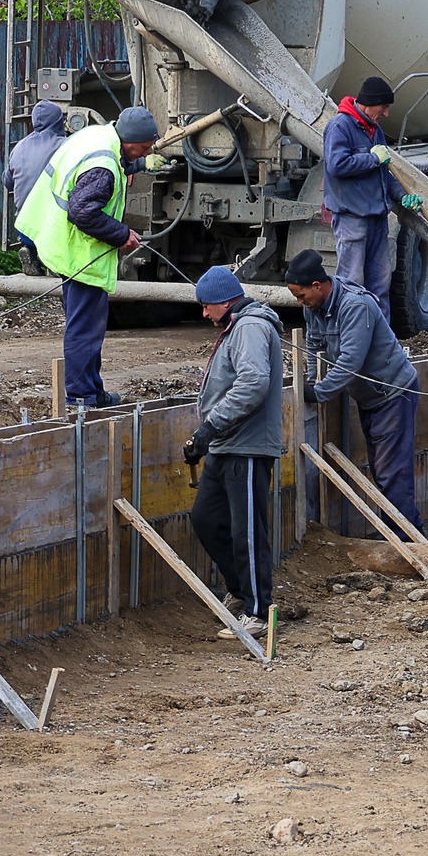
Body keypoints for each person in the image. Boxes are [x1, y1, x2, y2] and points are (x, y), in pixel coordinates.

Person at [16, 105, 160, 409]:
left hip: (65, 244)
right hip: (80, 254)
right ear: (131, 140)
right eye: (146, 146)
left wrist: (141, 164)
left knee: (87, 327)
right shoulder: (103, 168)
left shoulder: (98, 136)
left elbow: (113, 165)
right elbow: (83, 211)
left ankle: (92, 391)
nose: (147, 149)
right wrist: (122, 234)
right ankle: (81, 395)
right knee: (84, 330)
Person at [285, 249, 422, 532]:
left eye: (301, 296)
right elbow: (313, 345)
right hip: (370, 398)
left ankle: (408, 540)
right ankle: (395, 535)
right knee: (382, 472)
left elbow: (350, 362)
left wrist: (320, 392)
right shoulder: (314, 308)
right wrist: (312, 379)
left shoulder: (354, 306)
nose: (300, 303)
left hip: (393, 394)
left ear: (317, 286)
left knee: (392, 474)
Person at [184, 267, 287, 637]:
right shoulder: (236, 327)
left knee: (247, 531)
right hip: (226, 443)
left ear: (225, 301)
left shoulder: (249, 327)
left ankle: (259, 610)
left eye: (206, 306)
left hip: (246, 446)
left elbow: (253, 382)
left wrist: (210, 427)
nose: (204, 314)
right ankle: (241, 591)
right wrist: (206, 436)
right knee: (206, 519)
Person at [322, 75, 421, 306]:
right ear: (369, 103)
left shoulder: (373, 129)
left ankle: (380, 340)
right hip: (352, 218)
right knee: (352, 286)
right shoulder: (340, 126)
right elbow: (336, 165)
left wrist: (402, 195)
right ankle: (353, 339)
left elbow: (384, 172)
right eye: (384, 107)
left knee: (380, 284)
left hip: (376, 217)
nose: (386, 113)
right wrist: (373, 158)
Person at [5, 101, 69, 274]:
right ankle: (55, 262)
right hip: (51, 228)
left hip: (24, 226)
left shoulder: (19, 147)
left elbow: (7, 182)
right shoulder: (65, 145)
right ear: (58, 122)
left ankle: (31, 251)